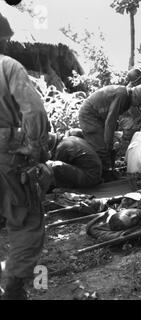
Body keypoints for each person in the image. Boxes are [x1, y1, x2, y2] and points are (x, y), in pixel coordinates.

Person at [0, 13, 51, 300]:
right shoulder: (7, 66)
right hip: (6, 155)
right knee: (27, 220)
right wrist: (35, 147)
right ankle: (14, 289)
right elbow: (33, 110)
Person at [78, 84, 141, 180]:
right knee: (102, 148)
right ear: (135, 96)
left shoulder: (127, 97)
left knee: (108, 144)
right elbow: (111, 120)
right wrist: (108, 142)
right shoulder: (122, 95)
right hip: (89, 115)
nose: (140, 107)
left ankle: (107, 170)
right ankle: (104, 175)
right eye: (140, 103)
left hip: (98, 116)